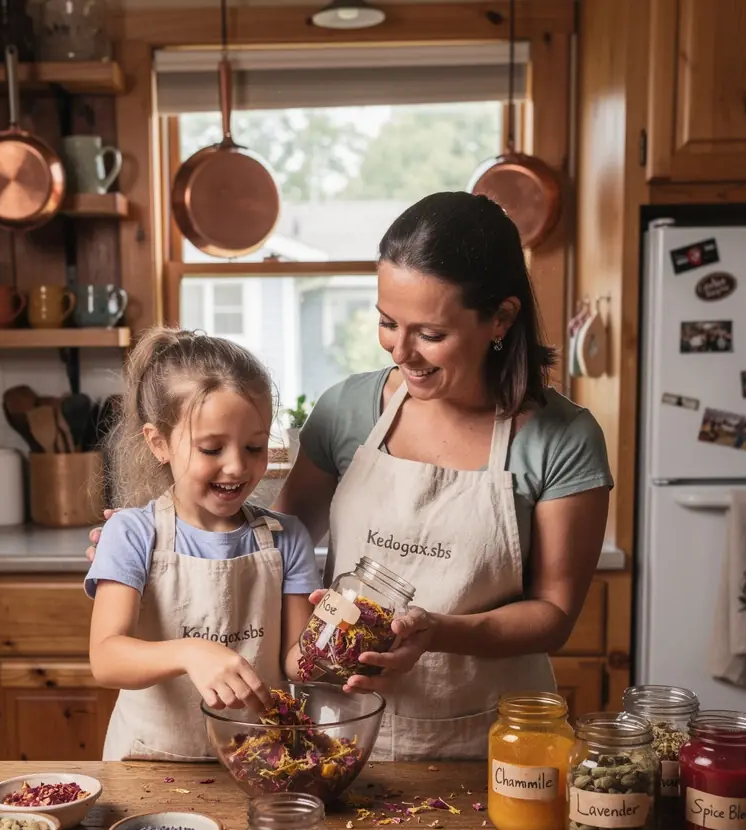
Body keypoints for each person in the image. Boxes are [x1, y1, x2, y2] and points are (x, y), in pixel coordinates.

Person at [90, 192, 612, 760]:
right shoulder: (347, 409)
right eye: (388, 323)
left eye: (431, 334)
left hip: (486, 733)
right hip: (346, 729)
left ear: (500, 318)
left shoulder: (562, 437)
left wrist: (438, 630)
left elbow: (553, 616)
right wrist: (156, 533)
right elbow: (276, 536)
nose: (402, 352)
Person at [85, 328, 321, 761]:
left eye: (255, 446)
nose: (237, 466)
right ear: (159, 444)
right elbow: (106, 657)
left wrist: (336, 641)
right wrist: (192, 651)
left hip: (257, 764)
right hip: (149, 763)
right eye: (212, 448)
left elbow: (294, 663)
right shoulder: (133, 533)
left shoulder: (288, 538)